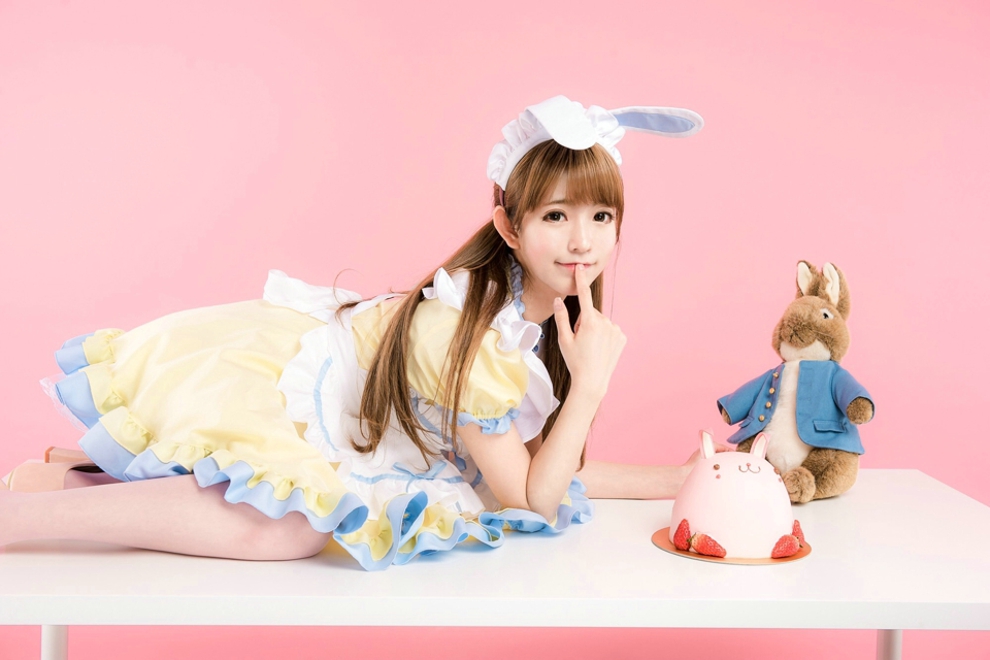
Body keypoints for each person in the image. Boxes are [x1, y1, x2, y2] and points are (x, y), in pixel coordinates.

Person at [0, 96, 707, 570]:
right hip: (284, 377)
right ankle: (16, 520)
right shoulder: (471, 333)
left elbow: (539, 470)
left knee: (287, 517)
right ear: (509, 227)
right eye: (556, 216)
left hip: (330, 394)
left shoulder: (530, 319)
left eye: (600, 217)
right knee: (289, 528)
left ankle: (61, 480)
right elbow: (530, 498)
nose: (582, 241)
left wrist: (682, 480)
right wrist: (587, 389)